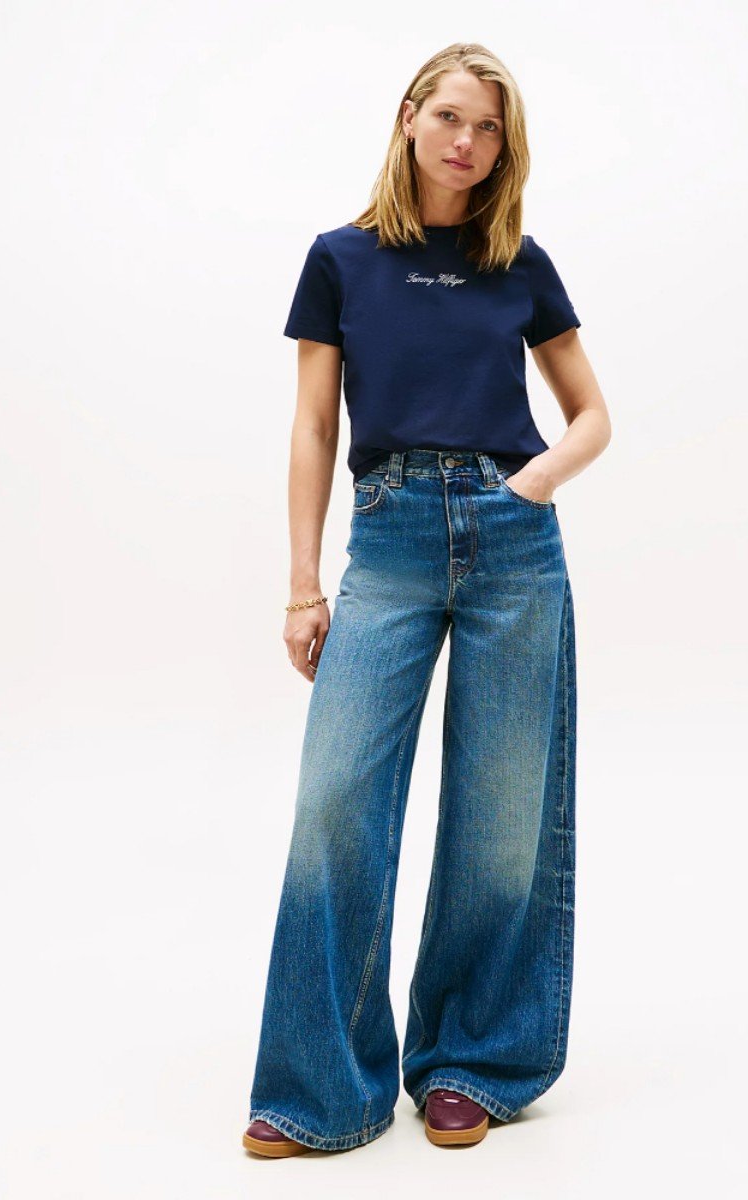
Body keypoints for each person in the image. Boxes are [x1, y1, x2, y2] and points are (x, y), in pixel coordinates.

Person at [243, 41, 611, 1157]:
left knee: (502, 817)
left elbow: (592, 416)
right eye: (450, 116)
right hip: (390, 540)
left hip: (513, 548)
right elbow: (315, 425)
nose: (467, 141)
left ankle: (472, 1063)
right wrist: (303, 585)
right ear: (409, 116)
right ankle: (320, 1087)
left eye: (489, 127)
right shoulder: (340, 258)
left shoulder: (519, 262)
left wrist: (528, 486)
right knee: (336, 803)